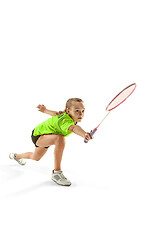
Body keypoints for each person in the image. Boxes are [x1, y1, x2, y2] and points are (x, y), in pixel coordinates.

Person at [9, 98, 92, 186]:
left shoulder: (65, 114)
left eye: (83, 111)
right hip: (39, 135)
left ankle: (16, 156)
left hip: (47, 136)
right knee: (60, 139)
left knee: (35, 157)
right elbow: (73, 128)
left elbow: (56, 114)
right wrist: (84, 134)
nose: (81, 114)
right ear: (68, 111)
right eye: (77, 111)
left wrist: (45, 110)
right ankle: (57, 173)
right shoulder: (65, 121)